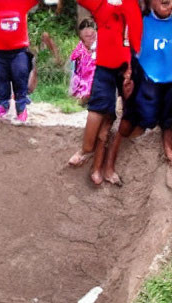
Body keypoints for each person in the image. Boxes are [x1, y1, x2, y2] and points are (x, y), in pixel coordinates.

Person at [68, 0, 142, 184]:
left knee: (125, 117)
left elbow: (137, 35)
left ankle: (107, 167)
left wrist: (132, 67)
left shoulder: (133, 5)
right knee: (101, 110)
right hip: (106, 63)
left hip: (130, 63)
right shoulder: (103, 5)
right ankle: (89, 154)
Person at [104, 0, 172, 187]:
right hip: (145, 79)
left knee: (169, 118)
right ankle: (109, 164)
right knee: (130, 122)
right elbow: (126, 52)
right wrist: (128, 77)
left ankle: (169, 155)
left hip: (170, 83)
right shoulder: (140, 22)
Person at [0, 0, 38, 123]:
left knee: (20, 74)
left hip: (19, 49)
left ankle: (21, 107)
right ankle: (2, 104)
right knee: (0, 77)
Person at [69, 19, 98, 102]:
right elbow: (73, 70)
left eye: (92, 36)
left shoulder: (101, 47)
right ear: (81, 37)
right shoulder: (79, 50)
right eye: (87, 37)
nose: (90, 39)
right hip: (83, 82)